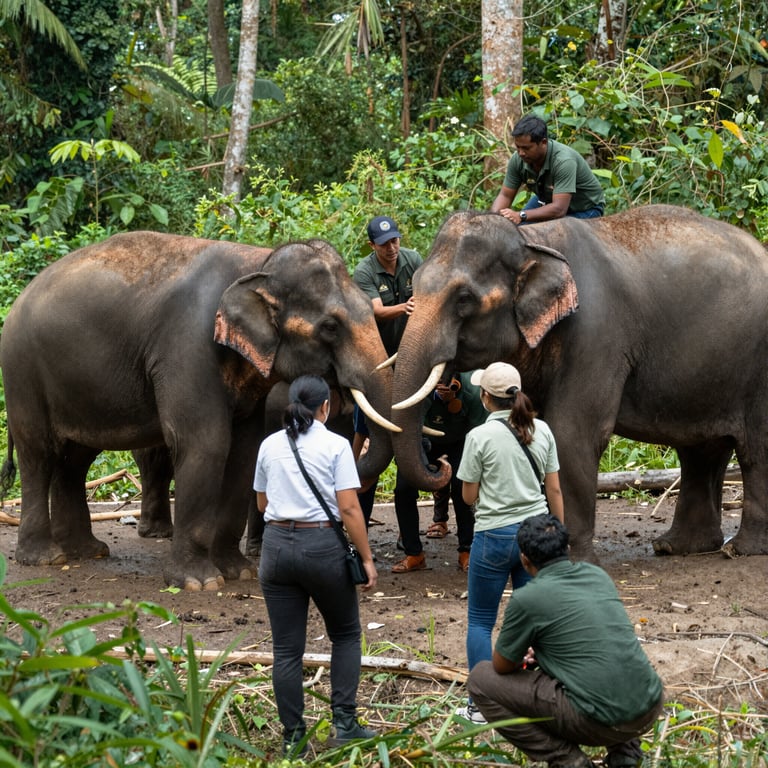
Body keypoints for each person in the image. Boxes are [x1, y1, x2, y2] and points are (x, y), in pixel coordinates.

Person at [467, 514, 665, 768]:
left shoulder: (527, 598)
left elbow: (502, 666)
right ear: (568, 549)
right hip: (649, 706)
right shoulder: (597, 576)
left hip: (597, 721)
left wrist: (524, 656)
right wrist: (546, 652)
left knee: (480, 679)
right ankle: (626, 755)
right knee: (607, 664)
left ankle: (567, 760)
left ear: (524, 560)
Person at [254, 375, 378, 756]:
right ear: (327, 406)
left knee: (286, 650)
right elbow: (349, 507)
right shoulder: (337, 446)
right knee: (345, 634)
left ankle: (293, 738)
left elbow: (261, 504)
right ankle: (344, 723)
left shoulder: (269, 445)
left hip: (275, 548)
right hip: (322, 546)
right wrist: (368, 558)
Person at [455, 362, 564, 723]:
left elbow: (468, 497)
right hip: (535, 536)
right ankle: (533, 696)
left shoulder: (478, 438)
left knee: (481, 621)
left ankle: (480, 706)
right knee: (534, 619)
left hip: (493, 537)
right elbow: (554, 488)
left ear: (485, 397)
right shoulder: (542, 430)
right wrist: (557, 535)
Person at [353, 215, 425, 573]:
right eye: (384, 244)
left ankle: (415, 538)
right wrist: (406, 308)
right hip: (377, 372)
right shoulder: (364, 272)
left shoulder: (412, 260)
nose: (392, 248)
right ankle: (358, 535)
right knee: (369, 451)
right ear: (372, 247)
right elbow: (376, 312)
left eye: (395, 240)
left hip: (414, 367)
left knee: (418, 445)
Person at [420, 370, 485, 572]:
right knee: (405, 486)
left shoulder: (470, 389)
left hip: (459, 441)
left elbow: (476, 429)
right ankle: (413, 548)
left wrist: (454, 403)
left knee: (459, 487)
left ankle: (466, 549)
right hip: (428, 441)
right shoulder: (421, 386)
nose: (442, 385)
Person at [491, 113, 605, 225]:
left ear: (543, 143)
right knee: (521, 231)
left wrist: (521, 215)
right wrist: (492, 220)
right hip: (549, 200)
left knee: (554, 235)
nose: (521, 153)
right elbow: (505, 195)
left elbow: (559, 209)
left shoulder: (563, 161)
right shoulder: (518, 160)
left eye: (526, 148)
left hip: (585, 208)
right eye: (518, 147)